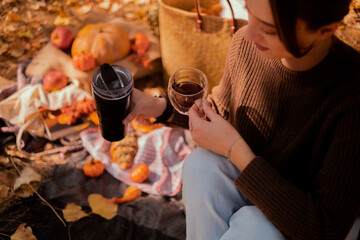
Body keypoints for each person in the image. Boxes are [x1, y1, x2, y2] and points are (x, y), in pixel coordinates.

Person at [123, 0, 360, 239]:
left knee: (255, 226)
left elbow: (326, 227)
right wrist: (158, 107)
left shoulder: (352, 95)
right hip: (260, 183)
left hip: (313, 222)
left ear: (325, 30)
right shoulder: (247, 46)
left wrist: (235, 149)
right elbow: (221, 114)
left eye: (268, 29)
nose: (249, 33)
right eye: (249, 12)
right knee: (201, 165)